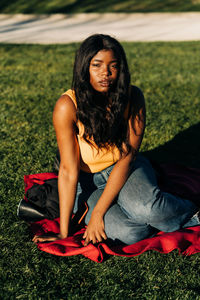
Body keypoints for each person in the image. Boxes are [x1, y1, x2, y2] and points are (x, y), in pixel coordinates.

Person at [33, 34, 200, 246]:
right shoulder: (68, 106)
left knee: (147, 208)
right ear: (84, 68)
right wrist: (64, 234)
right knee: (130, 234)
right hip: (89, 180)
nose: (106, 73)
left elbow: (128, 156)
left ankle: (192, 213)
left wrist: (98, 213)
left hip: (125, 167)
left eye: (113, 65)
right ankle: (157, 217)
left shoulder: (133, 97)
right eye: (97, 65)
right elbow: (67, 170)